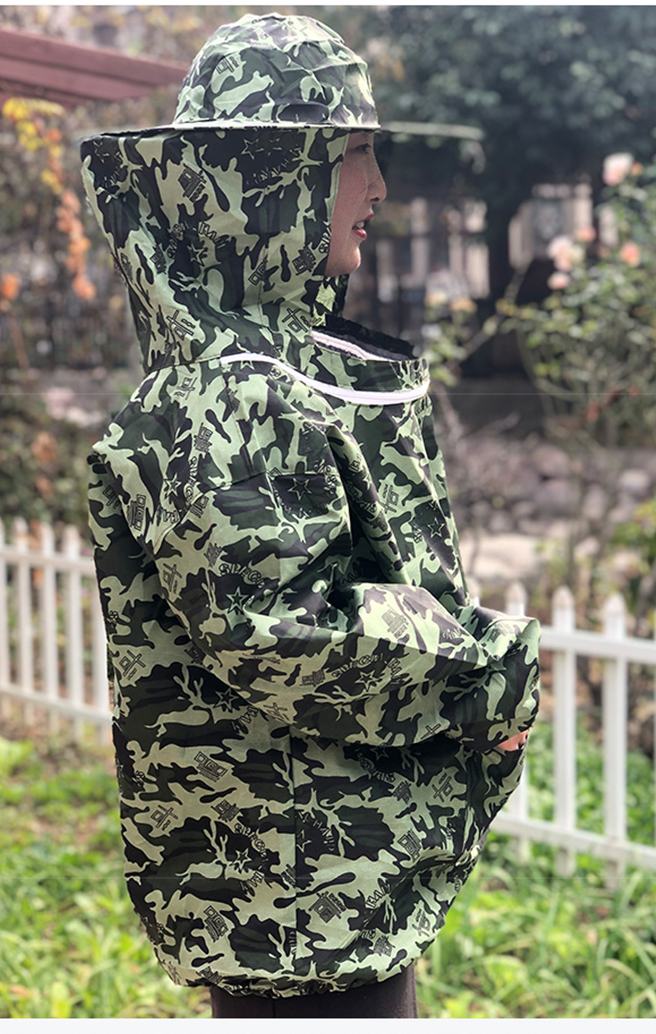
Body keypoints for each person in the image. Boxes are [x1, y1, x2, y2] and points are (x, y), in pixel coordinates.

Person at [81, 13, 540, 1019]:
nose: (379, 188)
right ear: (271, 182)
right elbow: (286, 634)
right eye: (354, 155)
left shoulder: (258, 370)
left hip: (315, 896)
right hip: (296, 913)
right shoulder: (230, 391)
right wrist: (487, 671)